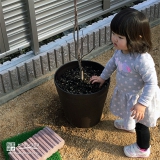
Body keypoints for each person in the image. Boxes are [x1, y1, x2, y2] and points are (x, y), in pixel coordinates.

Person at [90, 8, 160, 158]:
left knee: (142, 125)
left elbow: (151, 83)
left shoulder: (142, 60)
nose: (114, 39)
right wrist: (103, 77)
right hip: (127, 94)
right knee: (128, 112)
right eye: (113, 33)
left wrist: (142, 104)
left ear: (137, 37)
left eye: (120, 36)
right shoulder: (120, 51)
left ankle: (143, 149)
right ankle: (128, 125)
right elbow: (111, 64)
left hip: (141, 99)